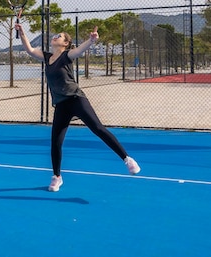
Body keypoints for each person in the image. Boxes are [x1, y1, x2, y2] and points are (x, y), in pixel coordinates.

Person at [14, 23, 141, 192]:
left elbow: (79, 50)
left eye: (59, 36)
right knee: (56, 142)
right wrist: (21, 31)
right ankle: (57, 177)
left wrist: (91, 40)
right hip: (61, 105)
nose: (55, 36)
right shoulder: (46, 57)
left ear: (65, 43)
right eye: (55, 35)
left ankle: (127, 159)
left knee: (98, 128)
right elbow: (29, 49)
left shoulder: (67, 56)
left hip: (76, 99)